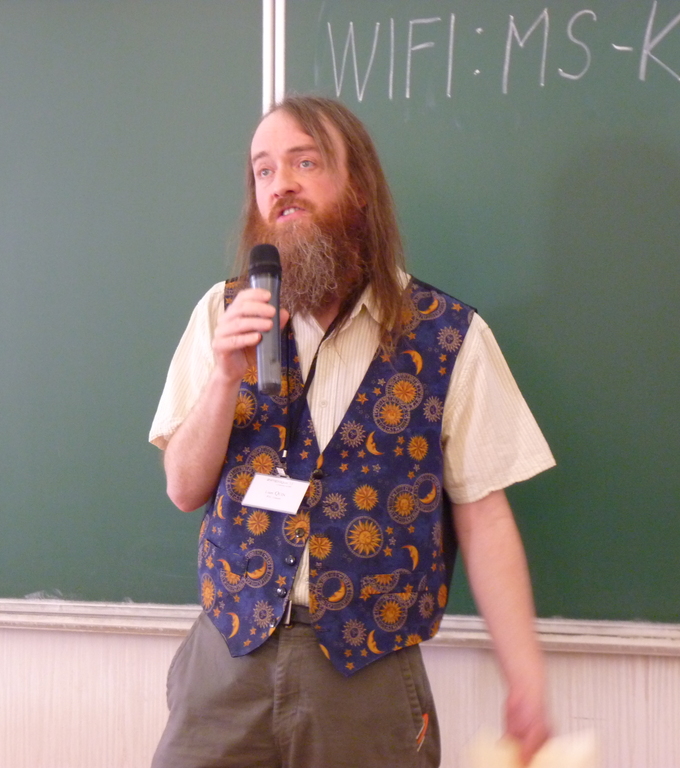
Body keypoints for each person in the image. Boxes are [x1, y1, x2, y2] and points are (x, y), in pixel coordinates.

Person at [148, 95, 554, 768]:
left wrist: (527, 676)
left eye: (304, 162)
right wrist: (224, 377)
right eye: (264, 170)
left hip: (366, 674)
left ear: (359, 185)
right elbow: (183, 488)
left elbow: (484, 516)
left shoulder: (448, 335)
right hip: (226, 661)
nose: (281, 184)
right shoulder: (223, 313)